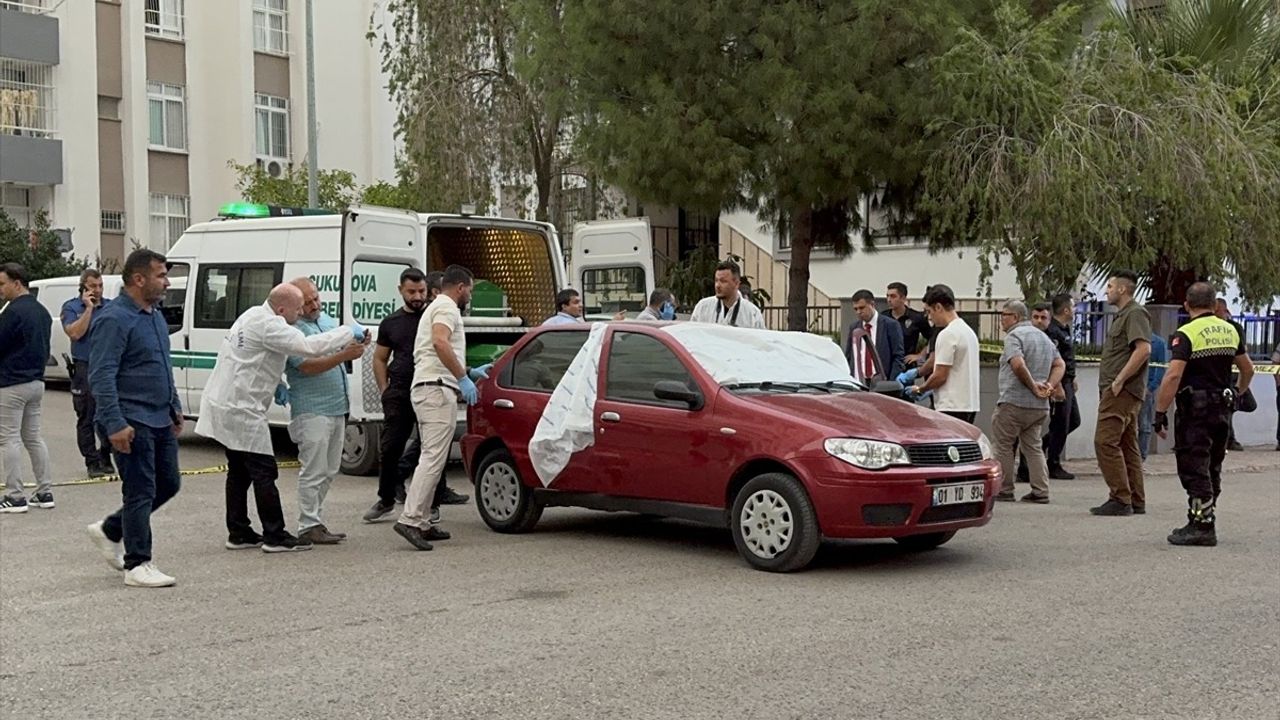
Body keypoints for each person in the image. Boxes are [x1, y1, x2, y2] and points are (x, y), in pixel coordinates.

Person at [196, 283, 365, 553]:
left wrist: (276, 383)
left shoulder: (252, 314)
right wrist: (348, 332)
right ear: (282, 308)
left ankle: (238, 532)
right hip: (242, 407)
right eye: (298, 308)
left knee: (239, 472)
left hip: (228, 400)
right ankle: (275, 535)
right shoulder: (271, 324)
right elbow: (308, 347)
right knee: (264, 471)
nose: (301, 313)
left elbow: (248, 355)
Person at [83, 250, 182, 587]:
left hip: (158, 416)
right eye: (161, 276)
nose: (167, 282)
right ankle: (137, 564)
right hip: (131, 418)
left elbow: (162, 365)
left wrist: (174, 405)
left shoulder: (152, 315)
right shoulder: (114, 319)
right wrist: (114, 424)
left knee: (169, 484)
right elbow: (101, 376)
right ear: (139, 279)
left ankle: (111, 529)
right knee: (140, 490)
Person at [394, 265, 490, 551]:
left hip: (431, 386)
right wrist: (462, 377)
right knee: (433, 458)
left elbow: (434, 348)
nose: (469, 296)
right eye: (470, 290)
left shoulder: (437, 306)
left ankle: (422, 521)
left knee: (431, 456)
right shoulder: (447, 307)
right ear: (460, 287)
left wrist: (467, 371)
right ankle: (411, 519)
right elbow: (439, 342)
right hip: (436, 389)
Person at [1152, 282, 1254, 546]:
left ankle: (1203, 526)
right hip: (1222, 410)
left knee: (1194, 466)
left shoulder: (1186, 333)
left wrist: (1160, 412)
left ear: (1187, 305)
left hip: (1195, 412)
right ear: (1214, 305)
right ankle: (1200, 516)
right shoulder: (1230, 330)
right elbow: (1248, 369)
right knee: (1213, 465)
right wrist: (1238, 393)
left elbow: (1173, 374)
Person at [365, 269, 468, 522]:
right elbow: (379, 358)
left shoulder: (433, 313)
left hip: (428, 385)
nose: (418, 296)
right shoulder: (392, 323)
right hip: (401, 389)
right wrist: (384, 390)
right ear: (400, 290)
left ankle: (432, 502)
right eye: (412, 292)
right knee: (392, 447)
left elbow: (444, 345)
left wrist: (465, 374)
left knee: (431, 448)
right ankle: (387, 498)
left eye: (422, 290)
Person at [281, 277, 367, 545]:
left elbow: (343, 345)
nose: (314, 305)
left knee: (330, 469)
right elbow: (306, 366)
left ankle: (315, 520)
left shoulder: (327, 321)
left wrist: (359, 341)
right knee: (313, 469)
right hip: (311, 409)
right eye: (307, 303)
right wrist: (344, 355)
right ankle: (307, 524)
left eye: (316, 298)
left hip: (336, 406)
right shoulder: (293, 331)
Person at [1090, 270, 1152, 517]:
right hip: (1120, 389)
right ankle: (1135, 499)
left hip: (1122, 390)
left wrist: (1119, 380)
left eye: (1110, 286)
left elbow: (1143, 349)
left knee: (1105, 441)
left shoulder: (1135, 313)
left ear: (1123, 289)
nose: (1106, 290)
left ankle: (1120, 498)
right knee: (1127, 445)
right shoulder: (1125, 315)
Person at [992, 301, 1064, 504]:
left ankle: (1005, 489)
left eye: (1004, 315)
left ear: (1015, 317)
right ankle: (1041, 490)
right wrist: (1049, 385)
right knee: (1033, 446)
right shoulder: (1044, 337)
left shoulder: (1014, 337)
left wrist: (1033, 385)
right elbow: (1060, 364)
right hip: (1039, 406)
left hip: (1014, 401)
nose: (1001, 319)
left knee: (1003, 445)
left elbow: (1017, 363)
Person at [0, 262, 53, 514]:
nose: (1, 290)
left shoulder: (12, 313)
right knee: (33, 437)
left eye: (2, 284)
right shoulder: (42, 312)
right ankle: (44, 491)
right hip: (37, 381)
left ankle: (15, 495)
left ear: (16, 283)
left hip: (11, 383)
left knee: (8, 438)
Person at [61, 268, 114, 478]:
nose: (98, 290)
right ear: (83, 287)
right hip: (84, 367)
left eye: (100, 286)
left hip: (107, 367)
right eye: (93, 286)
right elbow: (75, 333)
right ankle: (92, 461)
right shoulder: (71, 307)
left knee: (109, 413)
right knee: (86, 416)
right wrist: (89, 309)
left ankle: (106, 454)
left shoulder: (110, 307)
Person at [905, 284, 979, 423]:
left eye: (929, 311)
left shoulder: (948, 334)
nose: (929, 317)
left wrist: (921, 389)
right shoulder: (968, 332)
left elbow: (940, 375)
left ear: (938, 307)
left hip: (950, 406)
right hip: (969, 404)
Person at [1043, 294, 1080, 479]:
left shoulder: (1065, 329)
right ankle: (1053, 462)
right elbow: (1053, 360)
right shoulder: (1053, 332)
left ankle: (1043, 445)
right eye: (1073, 307)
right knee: (1060, 424)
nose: (1075, 310)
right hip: (1059, 383)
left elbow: (1067, 358)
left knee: (1073, 421)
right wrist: (1057, 385)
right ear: (1066, 310)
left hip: (1067, 381)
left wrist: (1072, 379)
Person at [843, 289, 905, 383]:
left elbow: (898, 356)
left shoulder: (890, 325)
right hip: (859, 381)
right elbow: (849, 355)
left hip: (881, 381)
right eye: (856, 309)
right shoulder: (854, 327)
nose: (858, 312)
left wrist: (891, 382)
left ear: (872, 304)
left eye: (862, 308)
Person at [690, 260, 766, 329]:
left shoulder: (752, 313)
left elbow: (761, 341)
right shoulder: (703, 307)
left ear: (736, 284)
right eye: (716, 280)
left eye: (723, 281)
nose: (717, 285)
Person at [1215, 298, 1247, 452]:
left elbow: (1245, 361)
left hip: (1231, 375)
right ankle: (1226, 440)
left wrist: (1239, 390)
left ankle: (1228, 439)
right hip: (1215, 378)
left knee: (1229, 408)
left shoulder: (1234, 328)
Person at [1137, 331, 1168, 460]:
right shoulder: (1134, 340)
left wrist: (1151, 387)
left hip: (1146, 388)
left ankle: (1141, 457)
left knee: (1144, 424)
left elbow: (1161, 367)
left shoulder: (1158, 343)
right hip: (1131, 386)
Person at [886, 282, 931, 368]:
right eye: (887, 296)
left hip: (906, 364)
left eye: (893, 296)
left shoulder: (916, 317)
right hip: (887, 365)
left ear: (903, 298)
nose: (889, 300)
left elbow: (933, 338)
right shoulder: (883, 317)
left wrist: (920, 355)